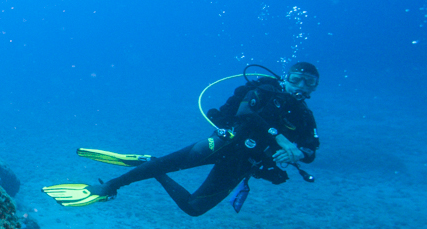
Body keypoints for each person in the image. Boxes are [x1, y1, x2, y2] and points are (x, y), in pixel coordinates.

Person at [42, 62, 320, 216]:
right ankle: (109, 186)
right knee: (170, 163)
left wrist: (298, 152)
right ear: (286, 77)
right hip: (225, 143)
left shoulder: (305, 117)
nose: (301, 86)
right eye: (297, 79)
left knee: (194, 208)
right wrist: (281, 139)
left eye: (309, 83)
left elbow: (311, 150)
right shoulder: (266, 90)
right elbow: (245, 112)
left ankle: (151, 163)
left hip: (244, 164)